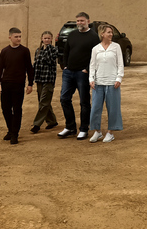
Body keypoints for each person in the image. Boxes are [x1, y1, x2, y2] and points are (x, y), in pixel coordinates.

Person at [58, 12, 100, 140]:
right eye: (78, 21)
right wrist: (65, 66)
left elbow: (96, 56)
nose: (79, 23)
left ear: (88, 21)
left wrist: (87, 70)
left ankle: (83, 129)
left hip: (82, 74)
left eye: (82, 21)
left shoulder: (93, 37)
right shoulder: (72, 35)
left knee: (84, 102)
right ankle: (70, 127)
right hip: (68, 72)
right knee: (64, 99)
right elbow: (66, 51)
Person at [0, 27, 34, 144]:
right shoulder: (4, 51)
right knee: (5, 109)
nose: (19, 39)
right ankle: (10, 129)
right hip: (6, 84)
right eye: (16, 37)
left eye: (20, 36)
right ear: (10, 37)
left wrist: (30, 84)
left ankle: (15, 133)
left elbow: (29, 68)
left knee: (17, 109)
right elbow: (0, 68)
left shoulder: (24, 51)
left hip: (18, 84)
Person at [88, 24, 124, 143]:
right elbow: (92, 65)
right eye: (108, 32)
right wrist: (91, 79)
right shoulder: (95, 49)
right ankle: (97, 131)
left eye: (111, 32)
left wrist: (118, 78)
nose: (111, 34)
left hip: (112, 83)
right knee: (95, 109)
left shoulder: (116, 47)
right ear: (102, 34)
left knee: (113, 108)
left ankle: (110, 132)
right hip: (98, 83)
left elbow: (120, 64)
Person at [30, 31, 59, 134]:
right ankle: (52, 121)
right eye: (45, 38)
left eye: (48, 38)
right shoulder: (38, 50)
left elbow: (50, 60)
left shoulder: (53, 50)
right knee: (44, 102)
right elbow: (35, 65)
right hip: (39, 79)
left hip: (48, 80)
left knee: (43, 102)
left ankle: (36, 124)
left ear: (51, 39)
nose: (46, 40)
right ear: (41, 39)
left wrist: (46, 50)